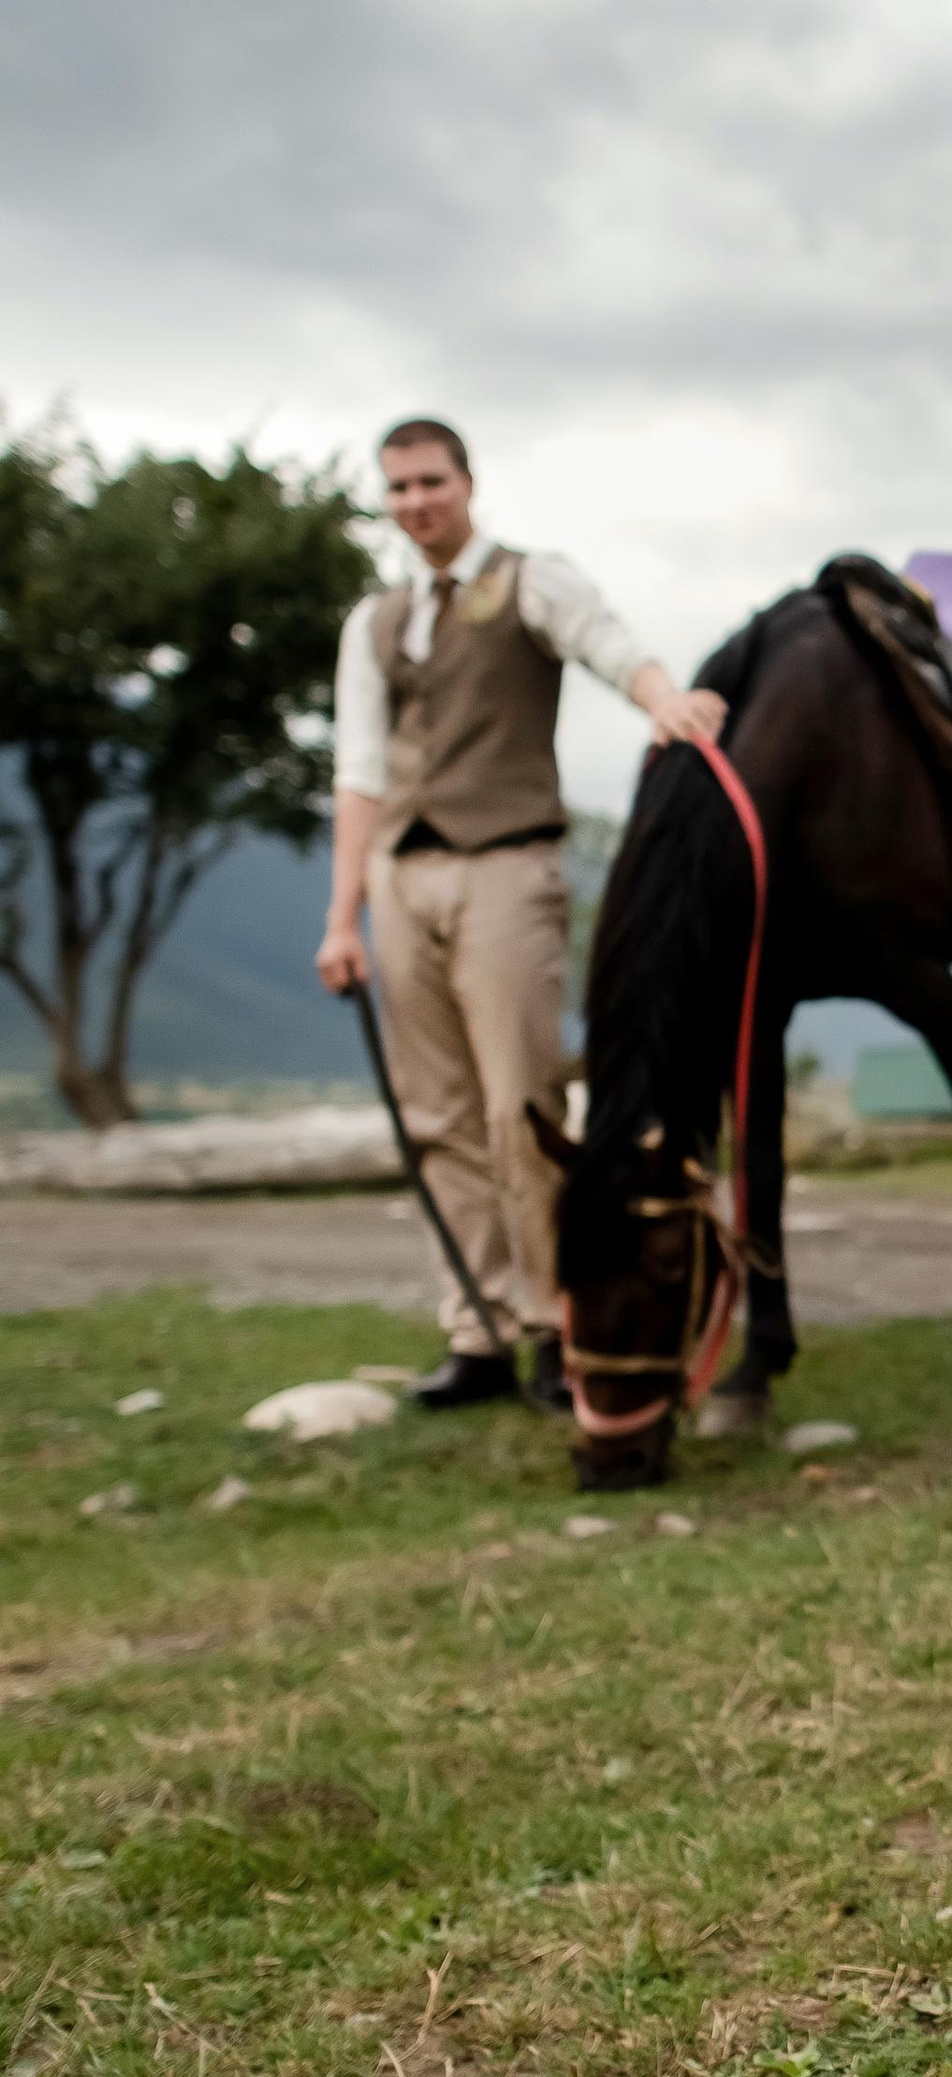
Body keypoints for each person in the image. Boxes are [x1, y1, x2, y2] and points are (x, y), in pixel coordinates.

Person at [315, 415, 725, 1411]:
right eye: (399, 488)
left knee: (520, 1107)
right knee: (436, 1117)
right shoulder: (375, 621)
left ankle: (553, 1322)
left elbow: (607, 643)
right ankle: (478, 1327)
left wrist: (663, 701)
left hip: (506, 866)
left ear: (467, 482)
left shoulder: (530, 581)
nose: (416, 503)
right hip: (401, 881)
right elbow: (360, 769)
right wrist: (342, 917)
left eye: (430, 482)